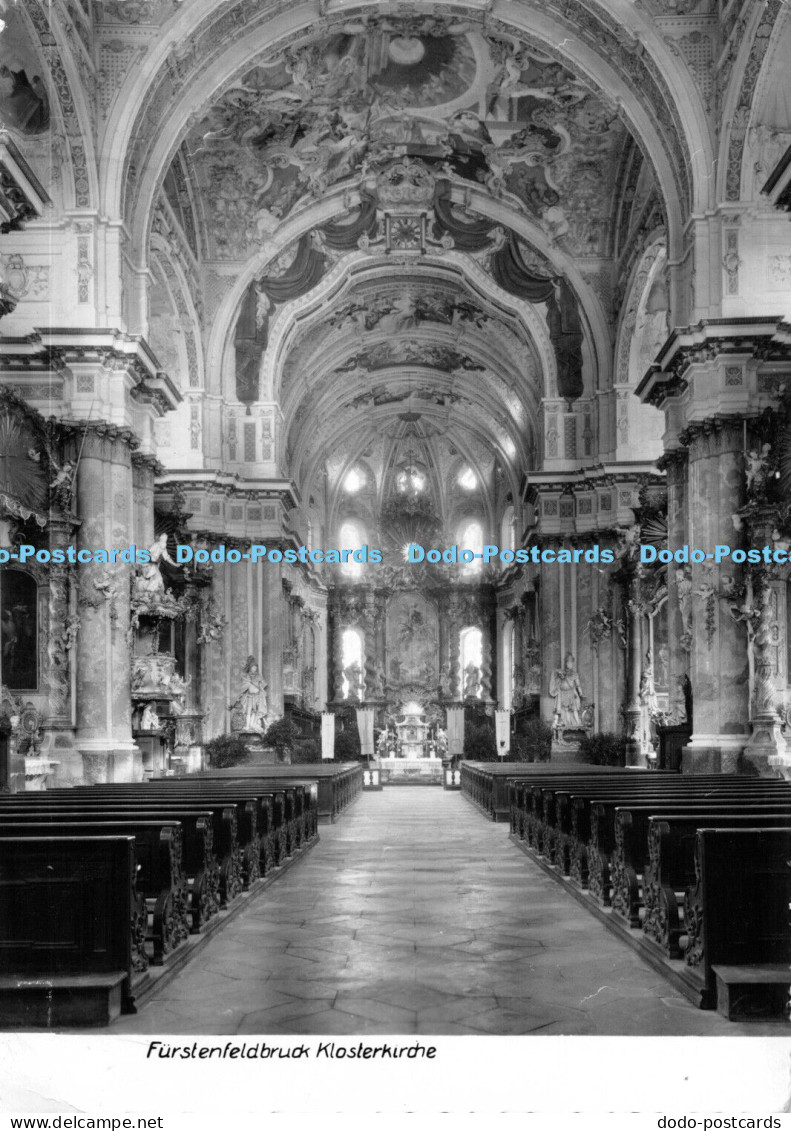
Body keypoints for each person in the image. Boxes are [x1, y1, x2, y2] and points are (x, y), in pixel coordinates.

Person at [230, 656, 269, 732]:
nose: (255, 669)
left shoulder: (258, 676)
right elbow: (244, 685)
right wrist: (250, 683)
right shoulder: (247, 676)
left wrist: (258, 685)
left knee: (255, 711)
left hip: (257, 696)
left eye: (256, 667)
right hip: (249, 697)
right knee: (248, 712)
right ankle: (247, 725)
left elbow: (263, 684)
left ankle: (253, 724)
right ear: (250, 667)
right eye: (253, 667)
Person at [549, 652, 583, 731]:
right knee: (566, 710)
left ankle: (578, 724)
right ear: (566, 663)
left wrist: (581, 692)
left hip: (571, 693)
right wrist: (560, 677)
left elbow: (578, 685)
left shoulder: (575, 674)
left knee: (574, 709)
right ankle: (567, 726)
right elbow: (557, 680)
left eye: (571, 662)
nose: (570, 664)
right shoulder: (561, 673)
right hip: (562, 693)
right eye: (568, 662)